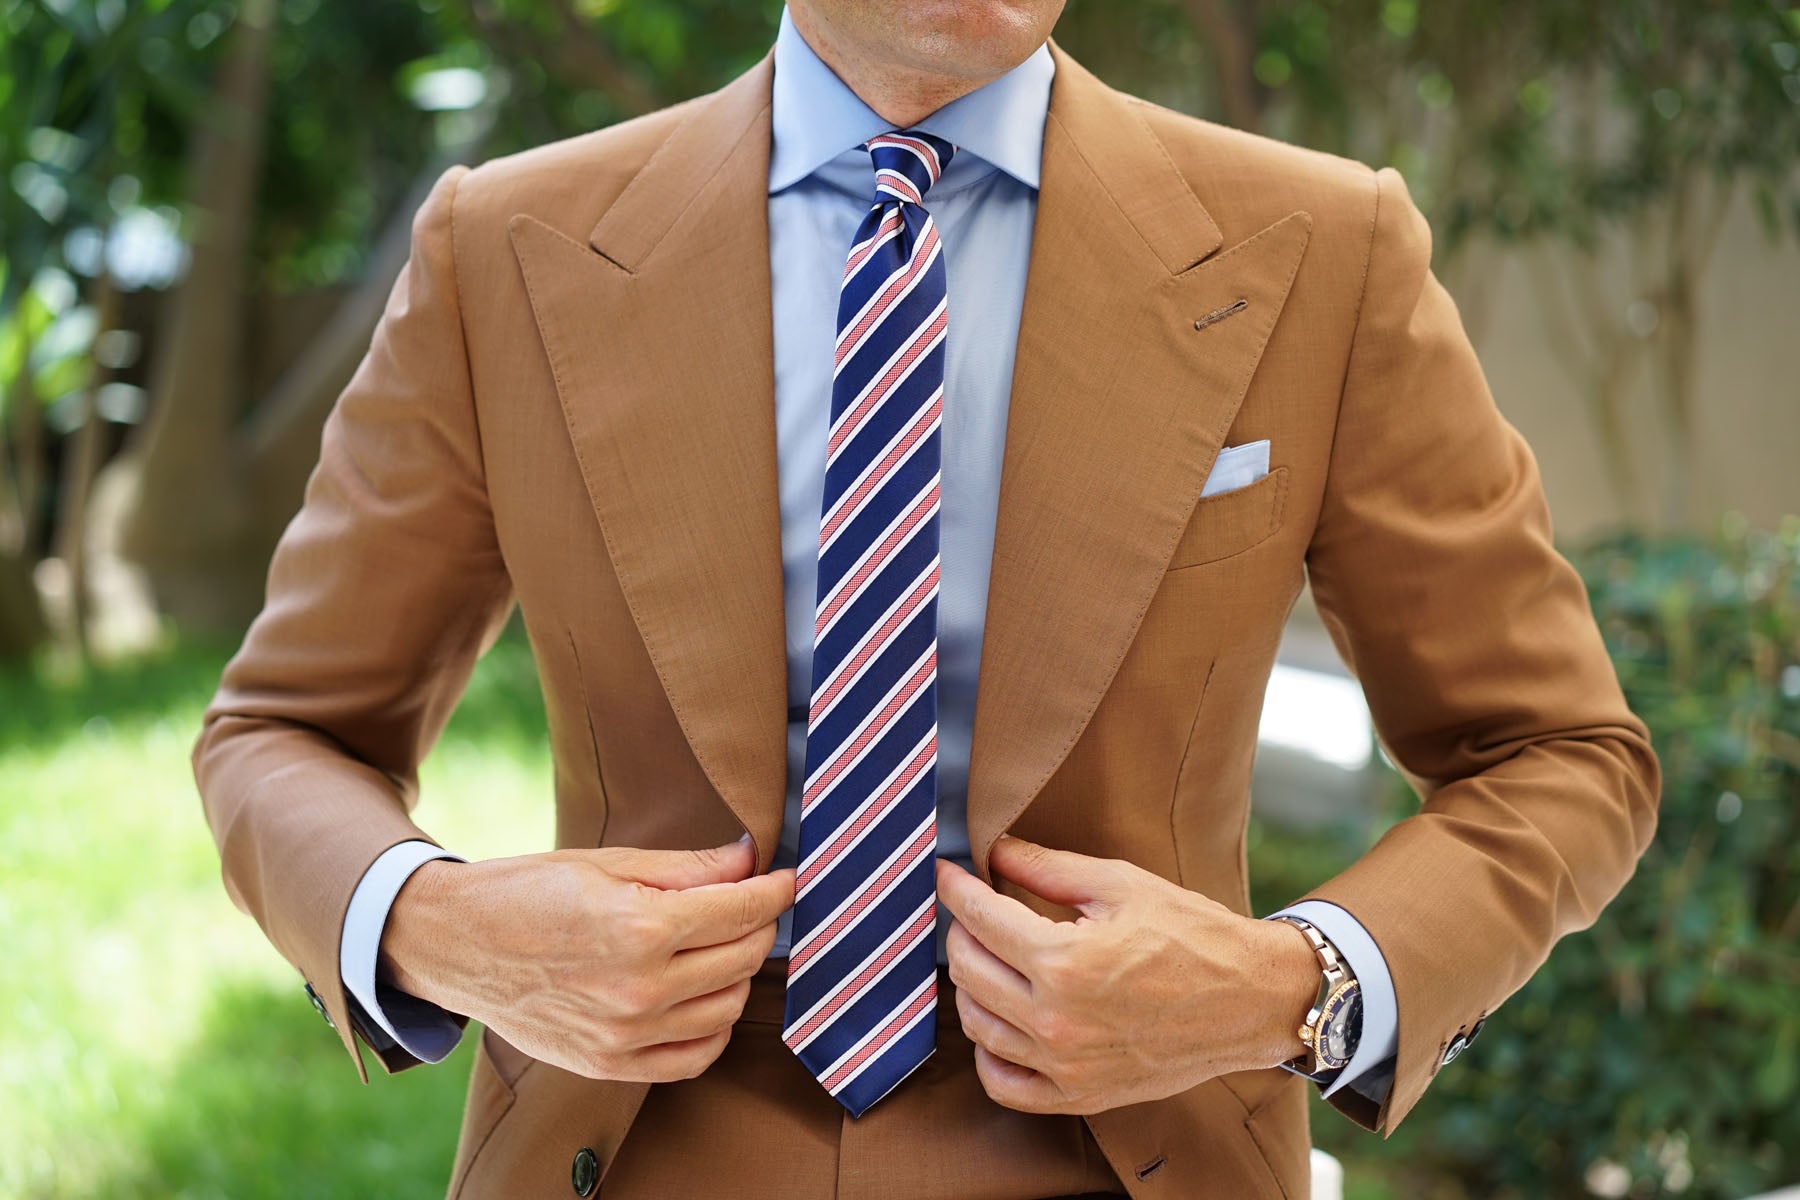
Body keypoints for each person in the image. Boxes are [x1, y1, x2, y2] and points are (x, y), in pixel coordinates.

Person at [192, 2, 1661, 1197]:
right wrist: (443, 927)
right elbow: (281, 732)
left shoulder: (1327, 254)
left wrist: (1291, 985)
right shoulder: (501, 250)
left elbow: (1560, 759)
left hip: (1139, 1149)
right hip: (627, 1151)